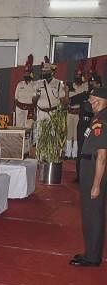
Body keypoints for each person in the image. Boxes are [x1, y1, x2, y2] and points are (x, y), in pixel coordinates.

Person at [70, 87, 107, 267]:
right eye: (91, 101)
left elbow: (102, 156)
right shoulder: (98, 117)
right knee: (89, 213)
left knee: (93, 214)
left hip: (94, 172)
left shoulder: (102, 121)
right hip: (88, 169)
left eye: (96, 101)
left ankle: (92, 257)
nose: (93, 105)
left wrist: (96, 185)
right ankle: (90, 252)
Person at [74, 59, 103, 182]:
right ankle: (80, 175)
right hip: (83, 124)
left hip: (97, 125)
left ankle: (95, 176)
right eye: (91, 83)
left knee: (97, 152)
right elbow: (68, 101)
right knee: (81, 150)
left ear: (99, 84)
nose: (92, 85)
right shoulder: (85, 95)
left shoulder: (103, 96)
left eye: (95, 83)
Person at [35, 56, 66, 140]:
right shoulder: (38, 83)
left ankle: (52, 153)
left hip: (54, 113)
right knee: (40, 135)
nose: (45, 72)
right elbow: (33, 101)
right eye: (44, 71)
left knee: (52, 136)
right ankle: (39, 153)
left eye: (47, 71)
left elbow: (63, 100)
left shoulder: (59, 83)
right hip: (41, 113)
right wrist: (37, 96)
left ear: (52, 72)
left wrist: (61, 113)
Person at [66, 60, 89, 159]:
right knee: (68, 133)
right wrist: (66, 91)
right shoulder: (70, 85)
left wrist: (85, 80)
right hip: (70, 112)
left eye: (80, 75)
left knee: (76, 134)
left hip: (79, 113)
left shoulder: (85, 86)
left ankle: (75, 154)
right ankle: (67, 153)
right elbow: (66, 101)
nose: (78, 77)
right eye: (77, 75)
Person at [14, 54, 37, 128]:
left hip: (30, 109)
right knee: (19, 126)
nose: (26, 74)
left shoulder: (35, 85)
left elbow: (35, 99)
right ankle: (19, 139)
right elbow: (16, 98)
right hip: (19, 108)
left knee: (28, 127)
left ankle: (27, 139)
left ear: (31, 74)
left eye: (28, 73)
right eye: (25, 72)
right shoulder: (20, 84)